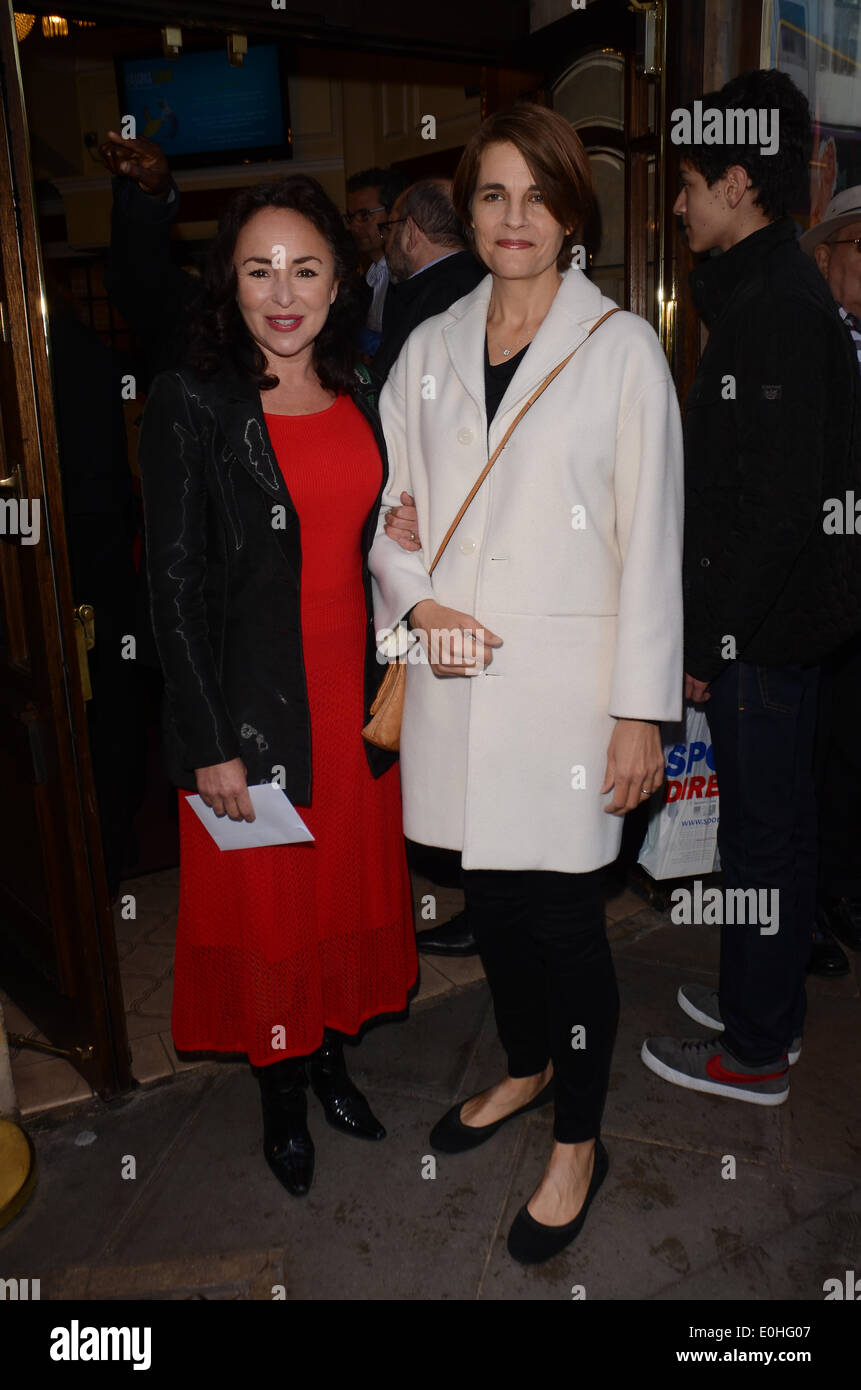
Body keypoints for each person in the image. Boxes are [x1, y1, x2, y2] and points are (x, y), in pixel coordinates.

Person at [369, 102, 684, 1264]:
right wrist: (414, 595)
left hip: (570, 700)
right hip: (456, 682)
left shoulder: (620, 350)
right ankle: (525, 1063)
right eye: (493, 195)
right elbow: (389, 516)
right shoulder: (429, 344)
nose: (515, 218)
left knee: (563, 922)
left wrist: (641, 712)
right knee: (492, 908)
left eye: (538, 197)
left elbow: (651, 539)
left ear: (573, 212)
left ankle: (579, 1140)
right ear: (470, 206)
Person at [138, 175, 418, 1199]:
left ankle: (331, 1058)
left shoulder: (364, 395)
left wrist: (402, 537)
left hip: (350, 709)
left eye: (305, 268)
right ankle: (282, 1100)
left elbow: (366, 539)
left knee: (333, 899)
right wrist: (209, 738)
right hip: (253, 718)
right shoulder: (192, 404)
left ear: (343, 281)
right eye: (259, 270)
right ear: (231, 284)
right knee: (269, 916)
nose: (283, 291)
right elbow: (170, 588)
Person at [641, 72, 861, 1105]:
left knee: (761, 841)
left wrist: (705, 642)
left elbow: (776, 513)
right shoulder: (767, 287)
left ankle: (755, 1051)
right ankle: (757, 1004)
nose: (677, 205)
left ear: (737, 180)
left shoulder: (776, 303)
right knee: (772, 829)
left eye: (688, 184)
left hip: (761, 638)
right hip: (775, 632)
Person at [800, 186, 861, 976]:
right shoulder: (804, 342)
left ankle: (844, 888)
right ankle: (805, 903)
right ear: (826, 257)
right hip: (814, 595)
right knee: (809, 757)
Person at [372, 179, 484, 383]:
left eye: (389, 227)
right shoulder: (478, 282)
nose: (385, 242)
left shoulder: (438, 300)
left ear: (410, 233)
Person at [345, 166, 407, 356]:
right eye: (350, 217)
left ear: (395, 213)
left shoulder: (409, 276)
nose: (354, 226)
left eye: (365, 216)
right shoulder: (366, 279)